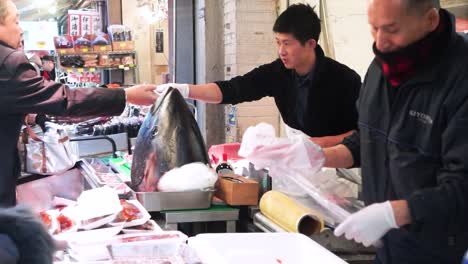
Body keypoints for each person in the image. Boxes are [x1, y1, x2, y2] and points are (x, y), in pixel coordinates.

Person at [323, 0, 468, 263]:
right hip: (391, 247)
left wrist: (394, 213)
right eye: (373, 28)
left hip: (444, 252)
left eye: (391, 29)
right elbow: (367, 139)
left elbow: (463, 185)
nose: (380, 41)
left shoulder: (460, 78)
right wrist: (318, 156)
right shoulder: (383, 66)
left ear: (430, 21)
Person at [0, 0, 157, 207]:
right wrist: (125, 95)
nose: (21, 29)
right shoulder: (8, 62)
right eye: (16, 21)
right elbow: (64, 99)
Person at [156, 4, 361, 148]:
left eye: (287, 43)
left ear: (310, 44)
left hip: (342, 168)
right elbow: (234, 89)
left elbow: (363, 132)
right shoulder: (278, 73)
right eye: (278, 42)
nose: (281, 50)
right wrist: (182, 89)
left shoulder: (343, 79)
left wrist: (318, 145)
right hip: (302, 164)